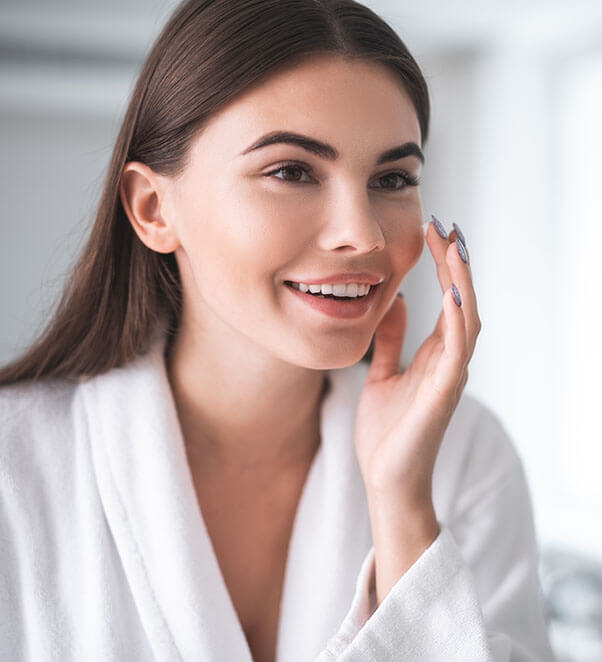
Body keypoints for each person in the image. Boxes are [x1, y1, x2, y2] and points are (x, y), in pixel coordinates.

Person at [0, 0, 556, 660]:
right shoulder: (15, 469)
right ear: (153, 210)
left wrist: (403, 505)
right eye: (291, 171)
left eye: (392, 178)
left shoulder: (467, 459)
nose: (363, 233)